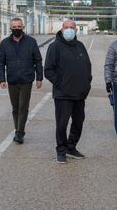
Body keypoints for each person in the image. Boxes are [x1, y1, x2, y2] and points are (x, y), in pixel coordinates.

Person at [44, 20, 92, 164]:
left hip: (79, 93)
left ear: (76, 30)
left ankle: (71, 147)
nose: (69, 30)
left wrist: (86, 84)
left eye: (72, 27)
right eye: (67, 27)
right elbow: (48, 70)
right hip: (63, 94)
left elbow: (87, 66)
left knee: (78, 122)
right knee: (62, 124)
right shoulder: (54, 47)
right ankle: (61, 150)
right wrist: (61, 84)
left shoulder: (80, 46)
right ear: (62, 29)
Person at [0, 17, 43, 144]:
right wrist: (2, 78)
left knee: (23, 106)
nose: (17, 29)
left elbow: (38, 60)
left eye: (19, 26)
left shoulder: (31, 42)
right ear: (10, 28)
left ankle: (19, 132)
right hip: (12, 80)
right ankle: (18, 129)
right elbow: (1, 62)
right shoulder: (5, 43)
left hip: (26, 80)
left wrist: (39, 77)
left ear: (23, 27)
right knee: (15, 107)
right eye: (14, 27)